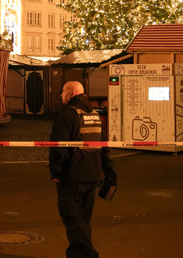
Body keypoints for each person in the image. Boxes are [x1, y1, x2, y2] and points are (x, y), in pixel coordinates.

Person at [49, 81, 116, 258]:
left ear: (71, 94)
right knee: (82, 221)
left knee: (72, 219)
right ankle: (75, 255)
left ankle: (88, 255)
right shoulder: (93, 114)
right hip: (92, 175)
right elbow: (103, 144)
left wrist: (56, 172)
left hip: (72, 176)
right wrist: (107, 169)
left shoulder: (68, 114)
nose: (61, 96)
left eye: (63, 92)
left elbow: (58, 146)